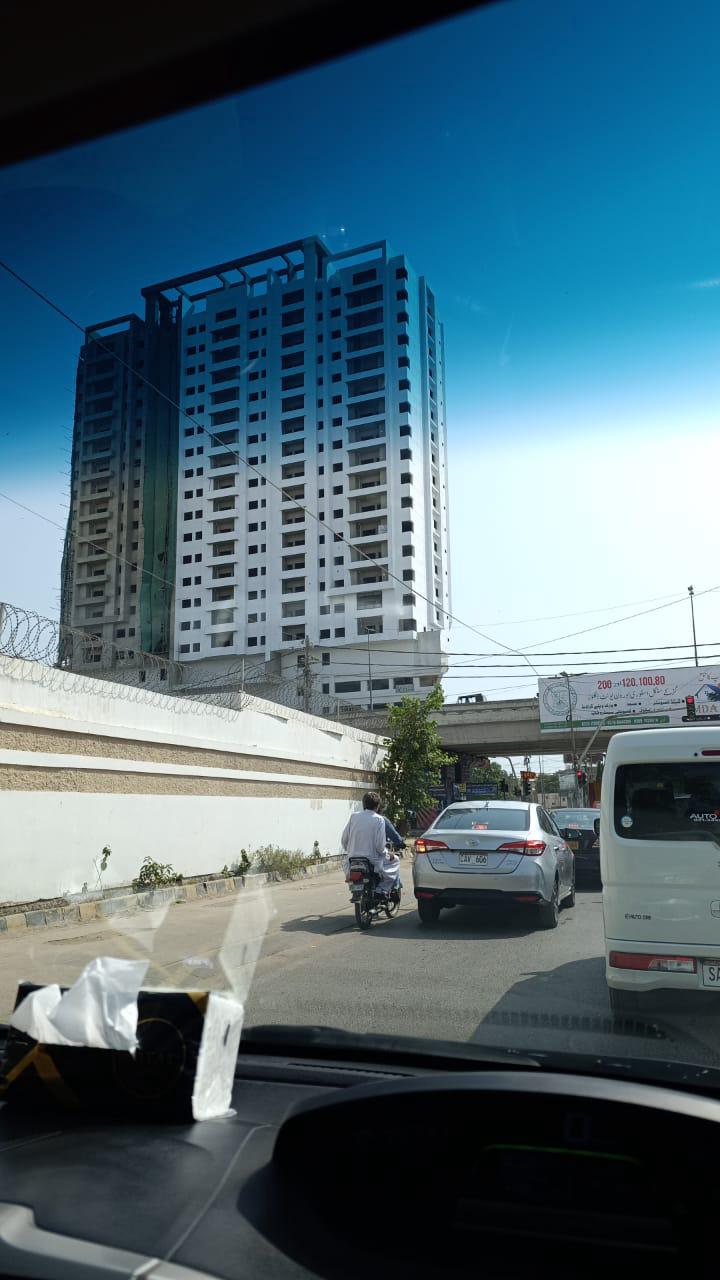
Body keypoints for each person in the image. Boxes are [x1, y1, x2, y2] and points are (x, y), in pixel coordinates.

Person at [341, 792, 401, 898]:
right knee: (395, 860)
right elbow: (380, 846)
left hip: (352, 860)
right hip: (372, 861)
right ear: (377, 806)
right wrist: (387, 853)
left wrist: (351, 851)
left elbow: (344, 840)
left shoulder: (354, 816)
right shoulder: (379, 819)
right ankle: (381, 890)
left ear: (363, 804)